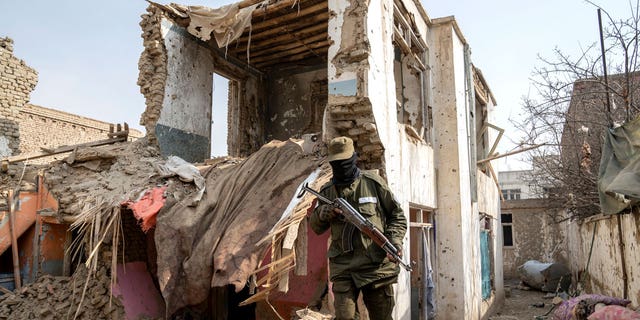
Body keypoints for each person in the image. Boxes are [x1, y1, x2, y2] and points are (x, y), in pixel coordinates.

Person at [309, 136, 407, 320]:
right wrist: (325, 212)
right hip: (344, 267)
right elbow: (315, 226)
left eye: (345, 162)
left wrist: (394, 241)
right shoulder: (327, 191)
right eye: (337, 163)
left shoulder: (373, 184)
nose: (341, 167)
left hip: (375, 266)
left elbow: (397, 216)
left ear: (354, 158)